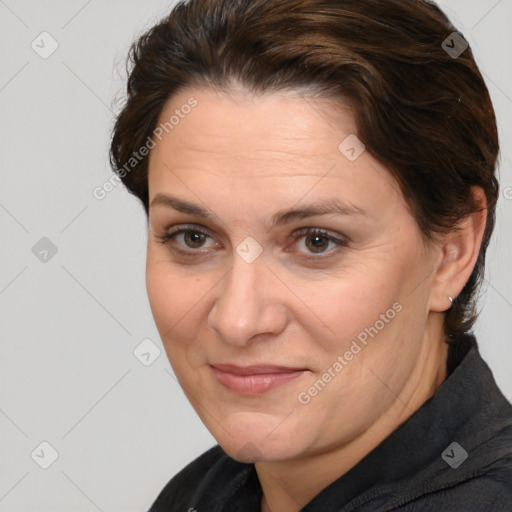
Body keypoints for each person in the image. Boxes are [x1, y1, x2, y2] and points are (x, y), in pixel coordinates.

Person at [109, 0, 512, 510]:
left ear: (453, 250)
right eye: (193, 237)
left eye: (316, 241)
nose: (238, 320)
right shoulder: (200, 496)